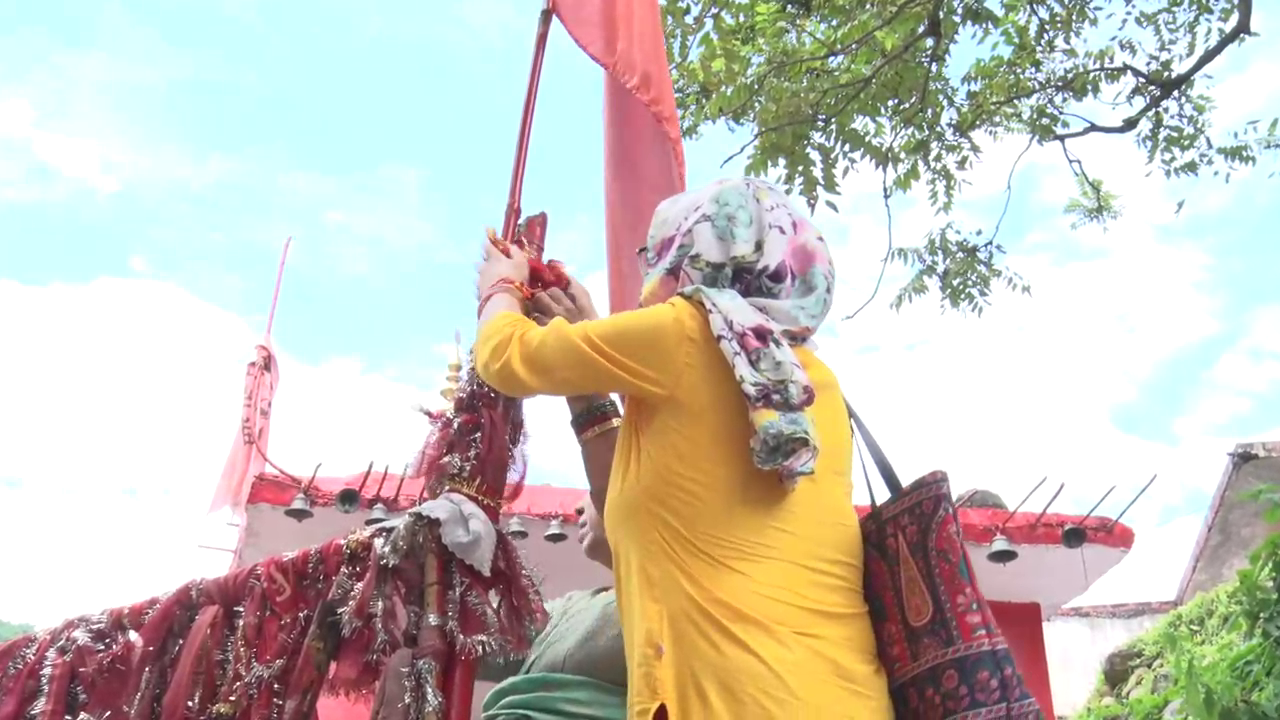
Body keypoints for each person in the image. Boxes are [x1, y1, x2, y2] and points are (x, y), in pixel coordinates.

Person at [474, 177, 893, 719]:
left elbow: (506, 357)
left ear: (690, 248)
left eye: (658, 250)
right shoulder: (810, 386)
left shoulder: (686, 333)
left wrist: (499, 286)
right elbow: (669, 499)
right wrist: (594, 346)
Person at [479, 499, 626, 720]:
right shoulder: (568, 607)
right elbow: (473, 643)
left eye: (592, 491)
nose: (578, 507)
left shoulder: (679, 600)